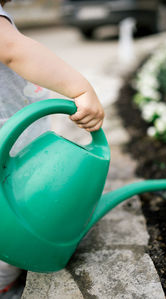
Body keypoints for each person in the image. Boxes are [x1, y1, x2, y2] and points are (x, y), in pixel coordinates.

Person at [0, 0, 104, 295]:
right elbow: (13, 51)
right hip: (12, 157)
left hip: (13, 154)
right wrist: (80, 89)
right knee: (12, 234)